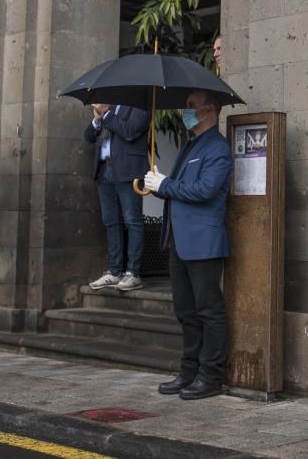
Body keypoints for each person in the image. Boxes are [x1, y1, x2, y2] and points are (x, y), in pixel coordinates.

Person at [144, 90, 233, 400]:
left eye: (191, 106)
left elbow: (206, 190)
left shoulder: (217, 148)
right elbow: (179, 190)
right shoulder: (190, 145)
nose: (186, 112)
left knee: (209, 310)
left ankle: (211, 375)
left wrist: (166, 184)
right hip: (178, 241)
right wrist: (157, 184)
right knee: (186, 310)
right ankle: (188, 371)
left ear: (210, 110)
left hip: (203, 242)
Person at [83, 103, 151, 291]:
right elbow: (88, 136)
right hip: (105, 169)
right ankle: (114, 271)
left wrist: (105, 113)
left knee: (132, 220)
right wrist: (97, 120)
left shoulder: (141, 105)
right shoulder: (110, 108)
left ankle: (133, 273)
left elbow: (130, 131)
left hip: (128, 170)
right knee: (110, 221)